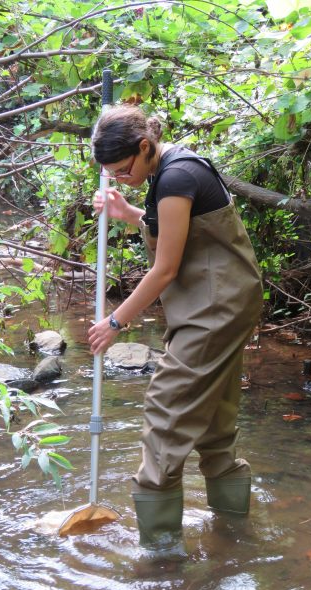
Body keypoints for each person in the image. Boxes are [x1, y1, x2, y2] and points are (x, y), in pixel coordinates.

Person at [89, 105, 263, 554]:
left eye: (124, 170)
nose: (122, 178)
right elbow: (177, 234)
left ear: (145, 147)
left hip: (214, 310)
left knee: (166, 414)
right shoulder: (170, 170)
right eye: (113, 175)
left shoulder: (177, 177)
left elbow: (165, 269)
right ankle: (236, 540)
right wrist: (130, 213)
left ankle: (160, 557)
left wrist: (115, 322)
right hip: (224, 303)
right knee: (215, 424)